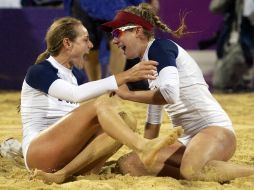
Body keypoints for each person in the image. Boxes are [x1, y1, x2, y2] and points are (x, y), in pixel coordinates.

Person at [100, 3, 254, 182]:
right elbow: (153, 120)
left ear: (138, 31)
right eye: (113, 35)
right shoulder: (147, 60)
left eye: (117, 33)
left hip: (214, 130)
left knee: (191, 172)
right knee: (130, 164)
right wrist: (144, 151)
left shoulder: (160, 47)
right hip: (189, 139)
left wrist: (128, 95)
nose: (114, 40)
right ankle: (198, 168)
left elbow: (170, 95)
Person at [20, 16, 183, 184]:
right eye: (85, 40)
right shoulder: (39, 71)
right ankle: (143, 147)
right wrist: (125, 76)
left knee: (126, 119)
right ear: (67, 43)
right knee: (102, 103)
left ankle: (65, 173)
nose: (90, 46)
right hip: (38, 154)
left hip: (63, 156)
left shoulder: (73, 76)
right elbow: (76, 94)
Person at [64, 0, 159, 82]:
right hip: (82, 6)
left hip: (114, 5)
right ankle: (96, 90)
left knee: (120, 44)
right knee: (89, 50)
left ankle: (113, 90)